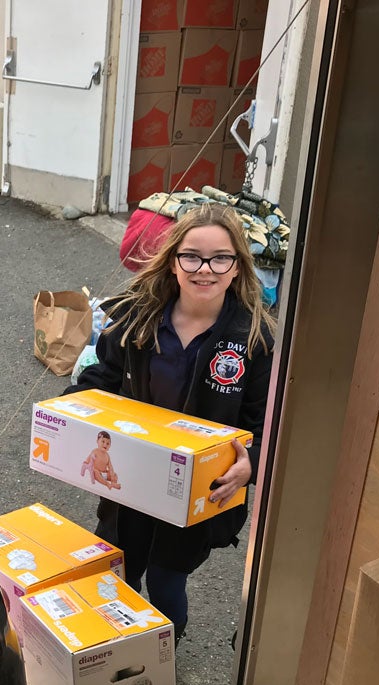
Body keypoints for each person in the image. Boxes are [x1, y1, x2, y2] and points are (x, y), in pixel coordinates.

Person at [64, 204, 275, 641]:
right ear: (174, 262)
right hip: (130, 479)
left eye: (220, 258)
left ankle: (162, 651)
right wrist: (68, 417)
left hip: (199, 491)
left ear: (237, 267)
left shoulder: (254, 339)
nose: (205, 269)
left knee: (165, 579)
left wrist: (252, 462)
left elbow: (267, 421)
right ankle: (116, 649)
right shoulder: (137, 317)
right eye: (192, 256)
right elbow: (100, 378)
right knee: (119, 569)